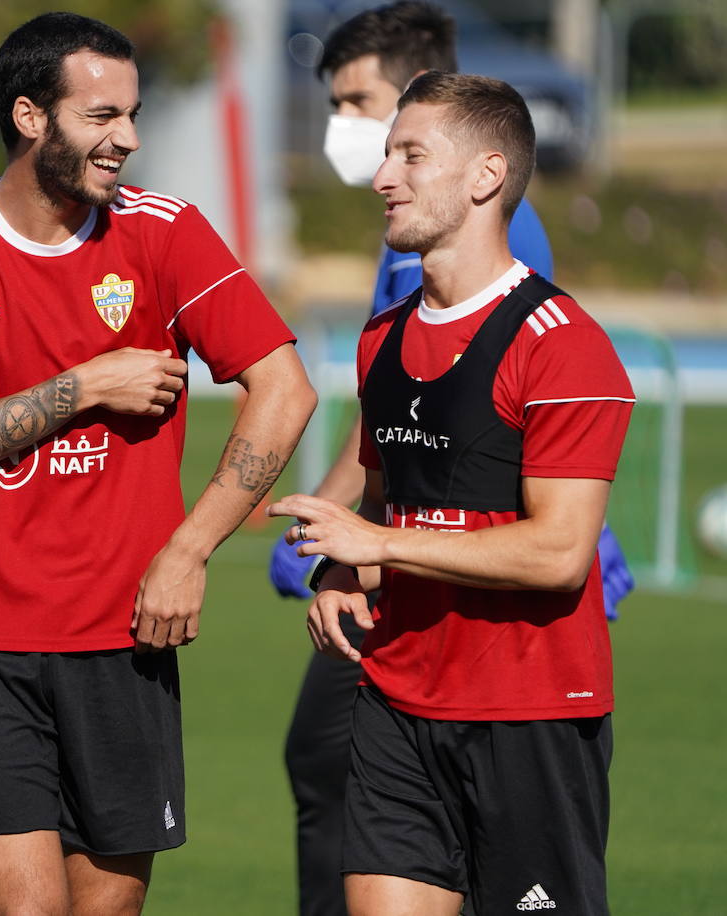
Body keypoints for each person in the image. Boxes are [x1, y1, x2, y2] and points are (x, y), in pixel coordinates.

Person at [0, 12, 317, 914]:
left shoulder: (166, 233)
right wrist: (84, 387)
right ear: (30, 117)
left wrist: (189, 550)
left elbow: (285, 390)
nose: (128, 139)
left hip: (126, 634)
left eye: (133, 114)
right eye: (102, 116)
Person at [267, 6, 631, 912]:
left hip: (530, 713)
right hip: (396, 700)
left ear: (486, 176)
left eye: (410, 156)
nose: (381, 176)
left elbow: (559, 554)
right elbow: (386, 499)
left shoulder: (565, 345)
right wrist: (342, 571)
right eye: (386, 152)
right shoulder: (383, 339)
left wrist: (380, 546)